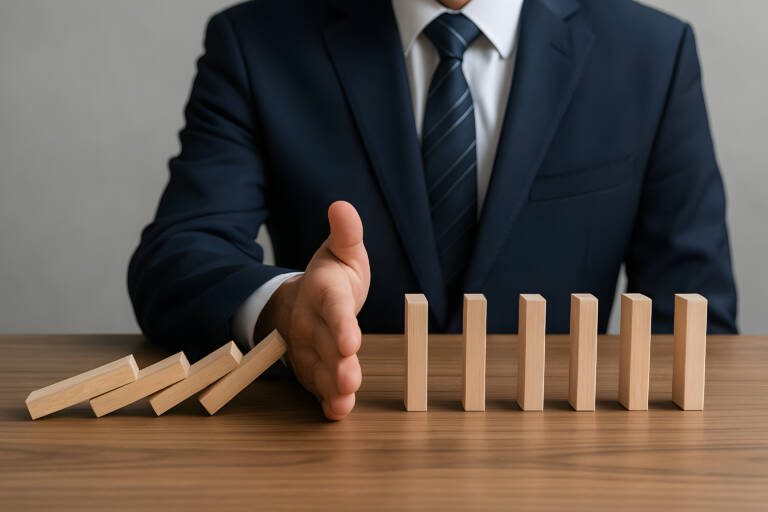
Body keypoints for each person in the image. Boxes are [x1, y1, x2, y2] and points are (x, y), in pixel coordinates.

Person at [128, 0, 738, 420]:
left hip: (563, 449)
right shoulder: (257, 42)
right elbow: (179, 257)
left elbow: (697, 317)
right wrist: (283, 309)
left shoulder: (652, 54)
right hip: (337, 441)